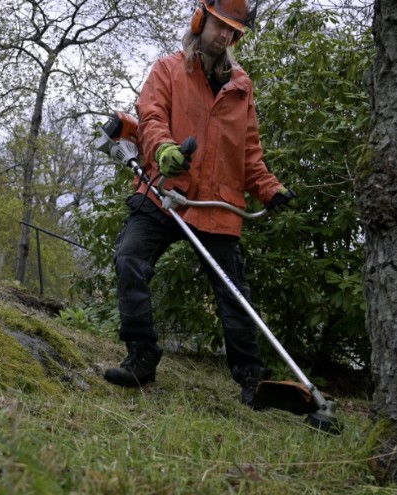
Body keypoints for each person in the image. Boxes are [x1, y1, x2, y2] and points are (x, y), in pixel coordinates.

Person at [103, 0, 296, 408]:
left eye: (233, 32)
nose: (224, 36)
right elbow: (151, 117)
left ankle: (252, 379)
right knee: (129, 260)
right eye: (220, 26)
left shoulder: (241, 87)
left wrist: (269, 189)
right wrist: (164, 149)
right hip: (165, 191)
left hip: (217, 202)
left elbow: (249, 154)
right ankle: (142, 356)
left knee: (233, 292)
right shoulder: (168, 70)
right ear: (200, 20)